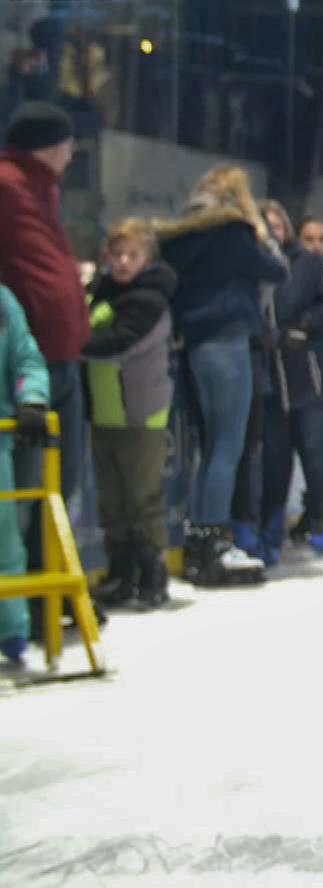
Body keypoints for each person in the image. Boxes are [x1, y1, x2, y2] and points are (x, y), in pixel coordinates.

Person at [155, 166, 286, 586]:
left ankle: (198, 541)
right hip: (228, 340)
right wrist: (260, 231)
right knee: (227, 446)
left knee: (209, 448)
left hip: (193, 344)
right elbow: (277, 270)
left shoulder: (178, 239)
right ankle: (214, 542)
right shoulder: (233, 232)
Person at [0, 103, 90, 567]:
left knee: (61, 480)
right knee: (27, 486)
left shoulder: (41, 189)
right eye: (68, 144)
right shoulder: (8, 185)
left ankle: (44, 591)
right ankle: (22, 595)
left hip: (64, 350)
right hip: (29, 355)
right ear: (52, 146)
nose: (72, 154)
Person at [82, 219, 177, 610]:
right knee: (113, 502)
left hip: (140, 414)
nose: (122, 262)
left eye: (132, 255)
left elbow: (118, 344)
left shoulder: (149, 300)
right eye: (116, 254)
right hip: (106, 413)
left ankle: (153, 573)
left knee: (141, 500)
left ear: (147, 258)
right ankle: (122, 573)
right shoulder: (101, 292)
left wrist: (72, 340)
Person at [258, 209, 323, 558]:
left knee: (315, 452)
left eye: (277, 225)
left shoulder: (308, 264)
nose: (272, 231)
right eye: (265, 226)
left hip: (311, 377)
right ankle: (271, 524)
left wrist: (306, 325)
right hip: (274, 381)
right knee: (275, 458)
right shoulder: (256, 266)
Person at [0, 285, 51, 664]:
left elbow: (26, 358)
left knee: (5, 538)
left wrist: (31, 398)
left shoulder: (2, 302)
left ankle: (11, 630)